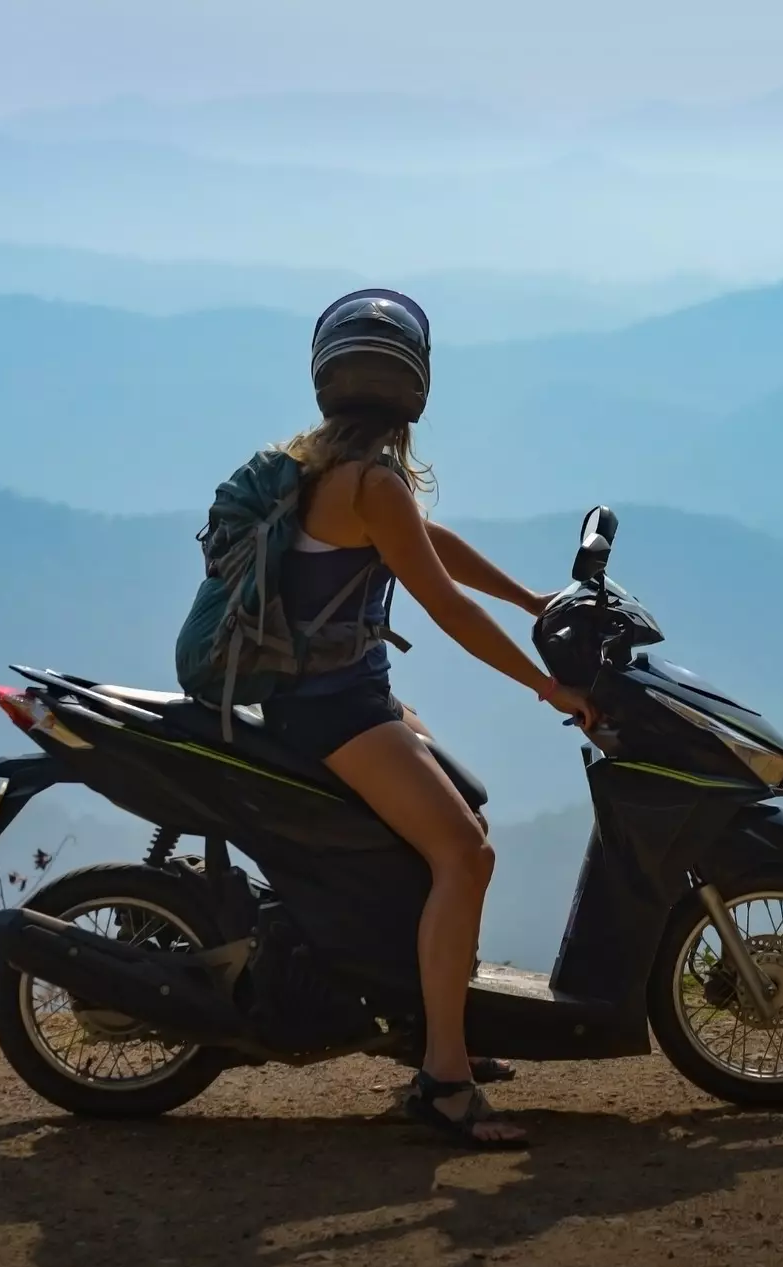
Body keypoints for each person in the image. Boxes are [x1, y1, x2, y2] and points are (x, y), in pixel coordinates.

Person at [263, 290, 597, 1148]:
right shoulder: (370, 481)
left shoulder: (323, 465)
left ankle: (434, 1024)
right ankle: (443, 1077)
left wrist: (527, 595)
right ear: (416, 388)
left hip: (336, 698)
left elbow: (426, 542)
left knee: (462, 820)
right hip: (335, 710)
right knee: (464, 851)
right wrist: (544, 684)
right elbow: (441, 602)